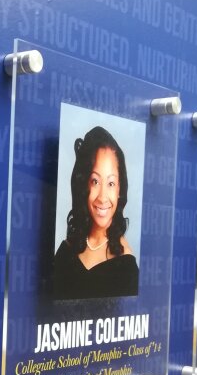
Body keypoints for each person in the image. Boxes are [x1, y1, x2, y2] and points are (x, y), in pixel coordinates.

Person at [53, 126, 138, 300]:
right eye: (95, 181)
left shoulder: (126, 266)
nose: (103, 197)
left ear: (120, 189)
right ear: (83, 184)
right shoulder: (66, 250)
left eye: (111, 183)